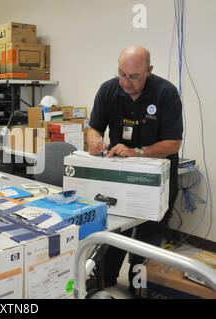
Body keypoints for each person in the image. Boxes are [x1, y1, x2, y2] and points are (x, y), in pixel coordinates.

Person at [87, 45, 183, 294]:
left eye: (133, 77)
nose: (125, 82)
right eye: (121, 74)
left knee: (149, 234)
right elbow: (94, 127)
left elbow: (174, 143)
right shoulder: (109, 89)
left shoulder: (166, 93)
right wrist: (94, 139)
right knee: (116, 228)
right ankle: (105, 277)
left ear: (148, 71)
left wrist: (137, 152)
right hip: (120, 176)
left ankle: (138, 284)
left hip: (156, 179)